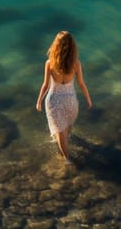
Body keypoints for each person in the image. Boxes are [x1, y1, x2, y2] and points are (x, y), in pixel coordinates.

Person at [35, 31, 92, 161]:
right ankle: (66, 143)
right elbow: (82, 84)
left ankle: (67, 160)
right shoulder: (76, 64)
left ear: (56, 46)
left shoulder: (49, 63)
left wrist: (38, 101)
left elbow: (45, 85)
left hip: (54, 101)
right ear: (72, 47)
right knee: (66, 129)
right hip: (70, 101)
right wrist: (88, 100)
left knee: (60, 133)